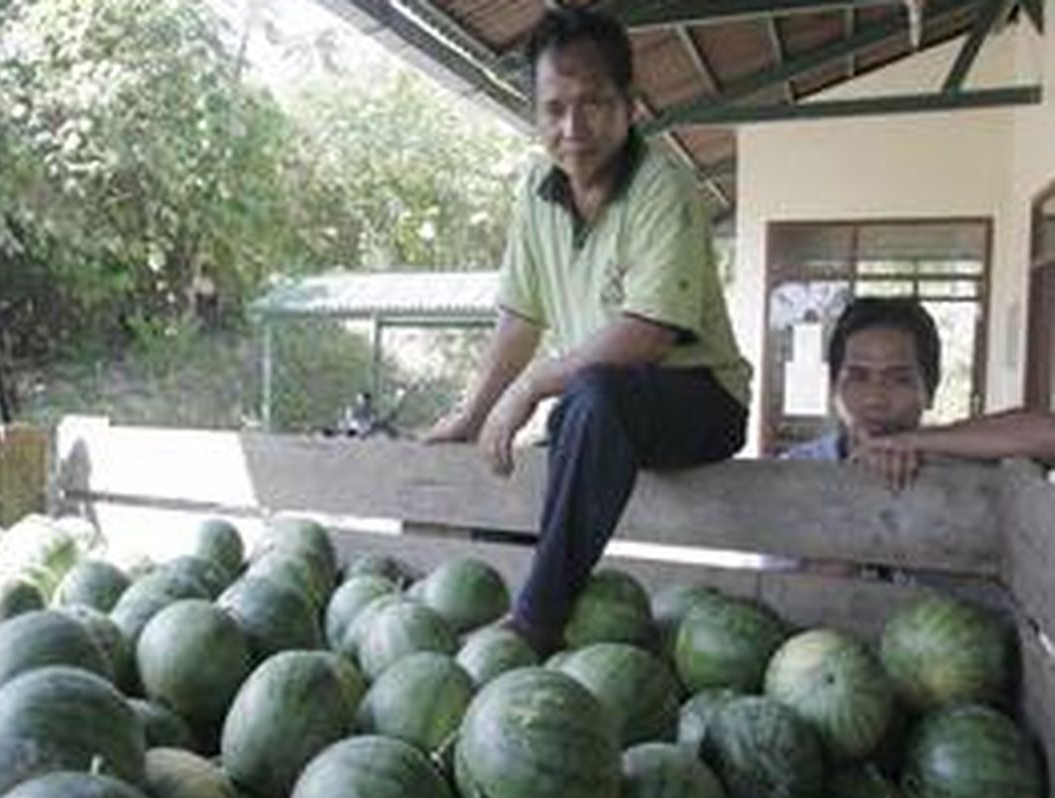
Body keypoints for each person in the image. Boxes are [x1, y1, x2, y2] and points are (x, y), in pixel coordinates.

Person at [422, 8, 751, 654]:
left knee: (593, 397)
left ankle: (537, 620)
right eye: (554, 108)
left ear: (629, 106)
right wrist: (475, 412)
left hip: (701, 400)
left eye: (594, 104)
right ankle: (502, 620)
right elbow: (520, 317)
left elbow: (647, 337)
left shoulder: (664, 186)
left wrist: (529, 391)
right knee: (521, 456)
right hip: (600, 410)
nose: (573, 128)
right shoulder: (536, 192)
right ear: (535, 113)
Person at [784, 296, 1055, 488]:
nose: (875, 399)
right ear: (833, 388)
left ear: (930, 389)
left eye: (899, 379)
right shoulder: (795, 469)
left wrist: (914, 443)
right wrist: (864, 496)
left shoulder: (962, 455)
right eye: (858, 377)